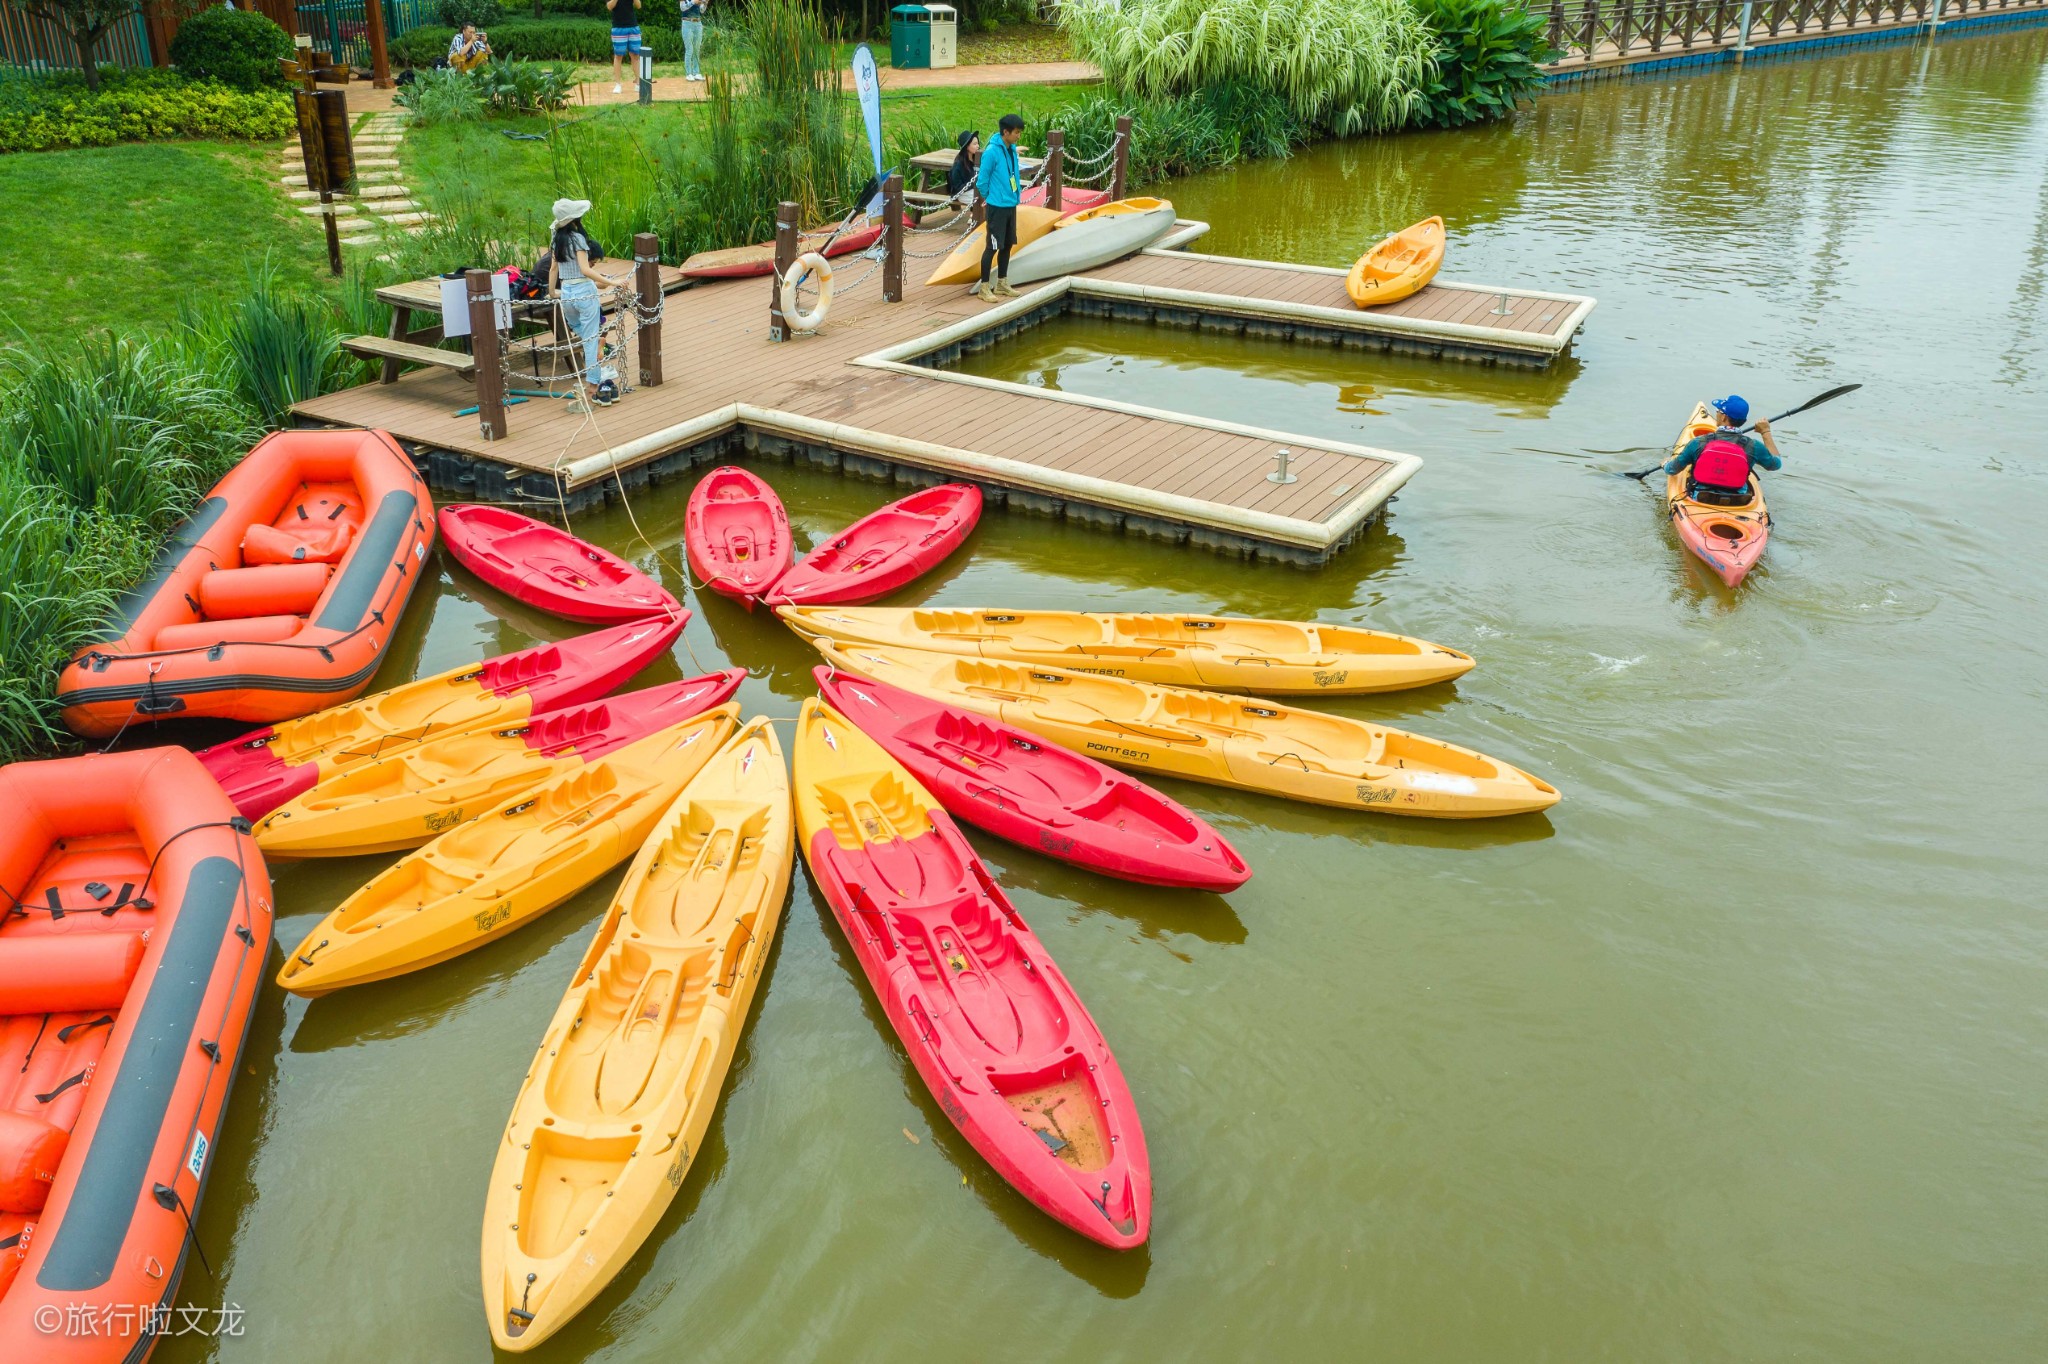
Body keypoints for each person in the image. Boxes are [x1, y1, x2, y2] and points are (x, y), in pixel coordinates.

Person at [547, 198, 626, 407]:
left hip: (566, 291)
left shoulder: (556, 239)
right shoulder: (578, 239)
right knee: (590, 341)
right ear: (575, 218)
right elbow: (585, 269)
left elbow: (553, 269)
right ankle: (593, 387)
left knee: (576, 327)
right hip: (583, 289)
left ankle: (594, 345)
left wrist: (552, 292)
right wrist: (612, 282)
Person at [1665, 395, 1781, 505]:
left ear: (1724, 417)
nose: (1716, 413)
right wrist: (1765, 432)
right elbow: (1776, 465)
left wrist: (1665, 464)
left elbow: (1672, 469)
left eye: (1718, 411)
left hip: (1701, 498)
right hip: (1738, 502)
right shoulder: (1754, 446)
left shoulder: (1698, 442)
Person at [973, 113, 1026, 300]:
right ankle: (984, 288)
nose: (1019, 136)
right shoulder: (991, 153)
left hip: (1010, 204)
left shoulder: (1010, 149)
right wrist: (991, 197)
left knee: (1007, 244)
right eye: (1017, 132)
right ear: (1006, 132)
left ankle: (1002, 283)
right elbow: (982, 182)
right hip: (997, 207)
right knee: (992, 246)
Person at [609, 0, 644, 94]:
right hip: (618, 27)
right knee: (618, 56)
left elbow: (639, 5)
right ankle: (618, 84)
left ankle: (638, 83)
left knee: (635, 55)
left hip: (633, 26)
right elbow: (609, 6)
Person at [679, 0, 709, 81]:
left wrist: (705, 3)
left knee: (697, 49)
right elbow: (682, 8)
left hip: (698, 23)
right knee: (689, 49)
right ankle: (688, 73)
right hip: (687, 23)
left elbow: (702, 10)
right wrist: (693, 2)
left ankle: (697, 73)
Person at [947, 129, 980, 198]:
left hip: (975, 190)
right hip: (962, 194)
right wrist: (974, 184)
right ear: (967, 146)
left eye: (978, 143)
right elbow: (957, 187)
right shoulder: (958, 164)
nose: (978, 146)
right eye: (975, 144)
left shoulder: (977, 159)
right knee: (981, 198)